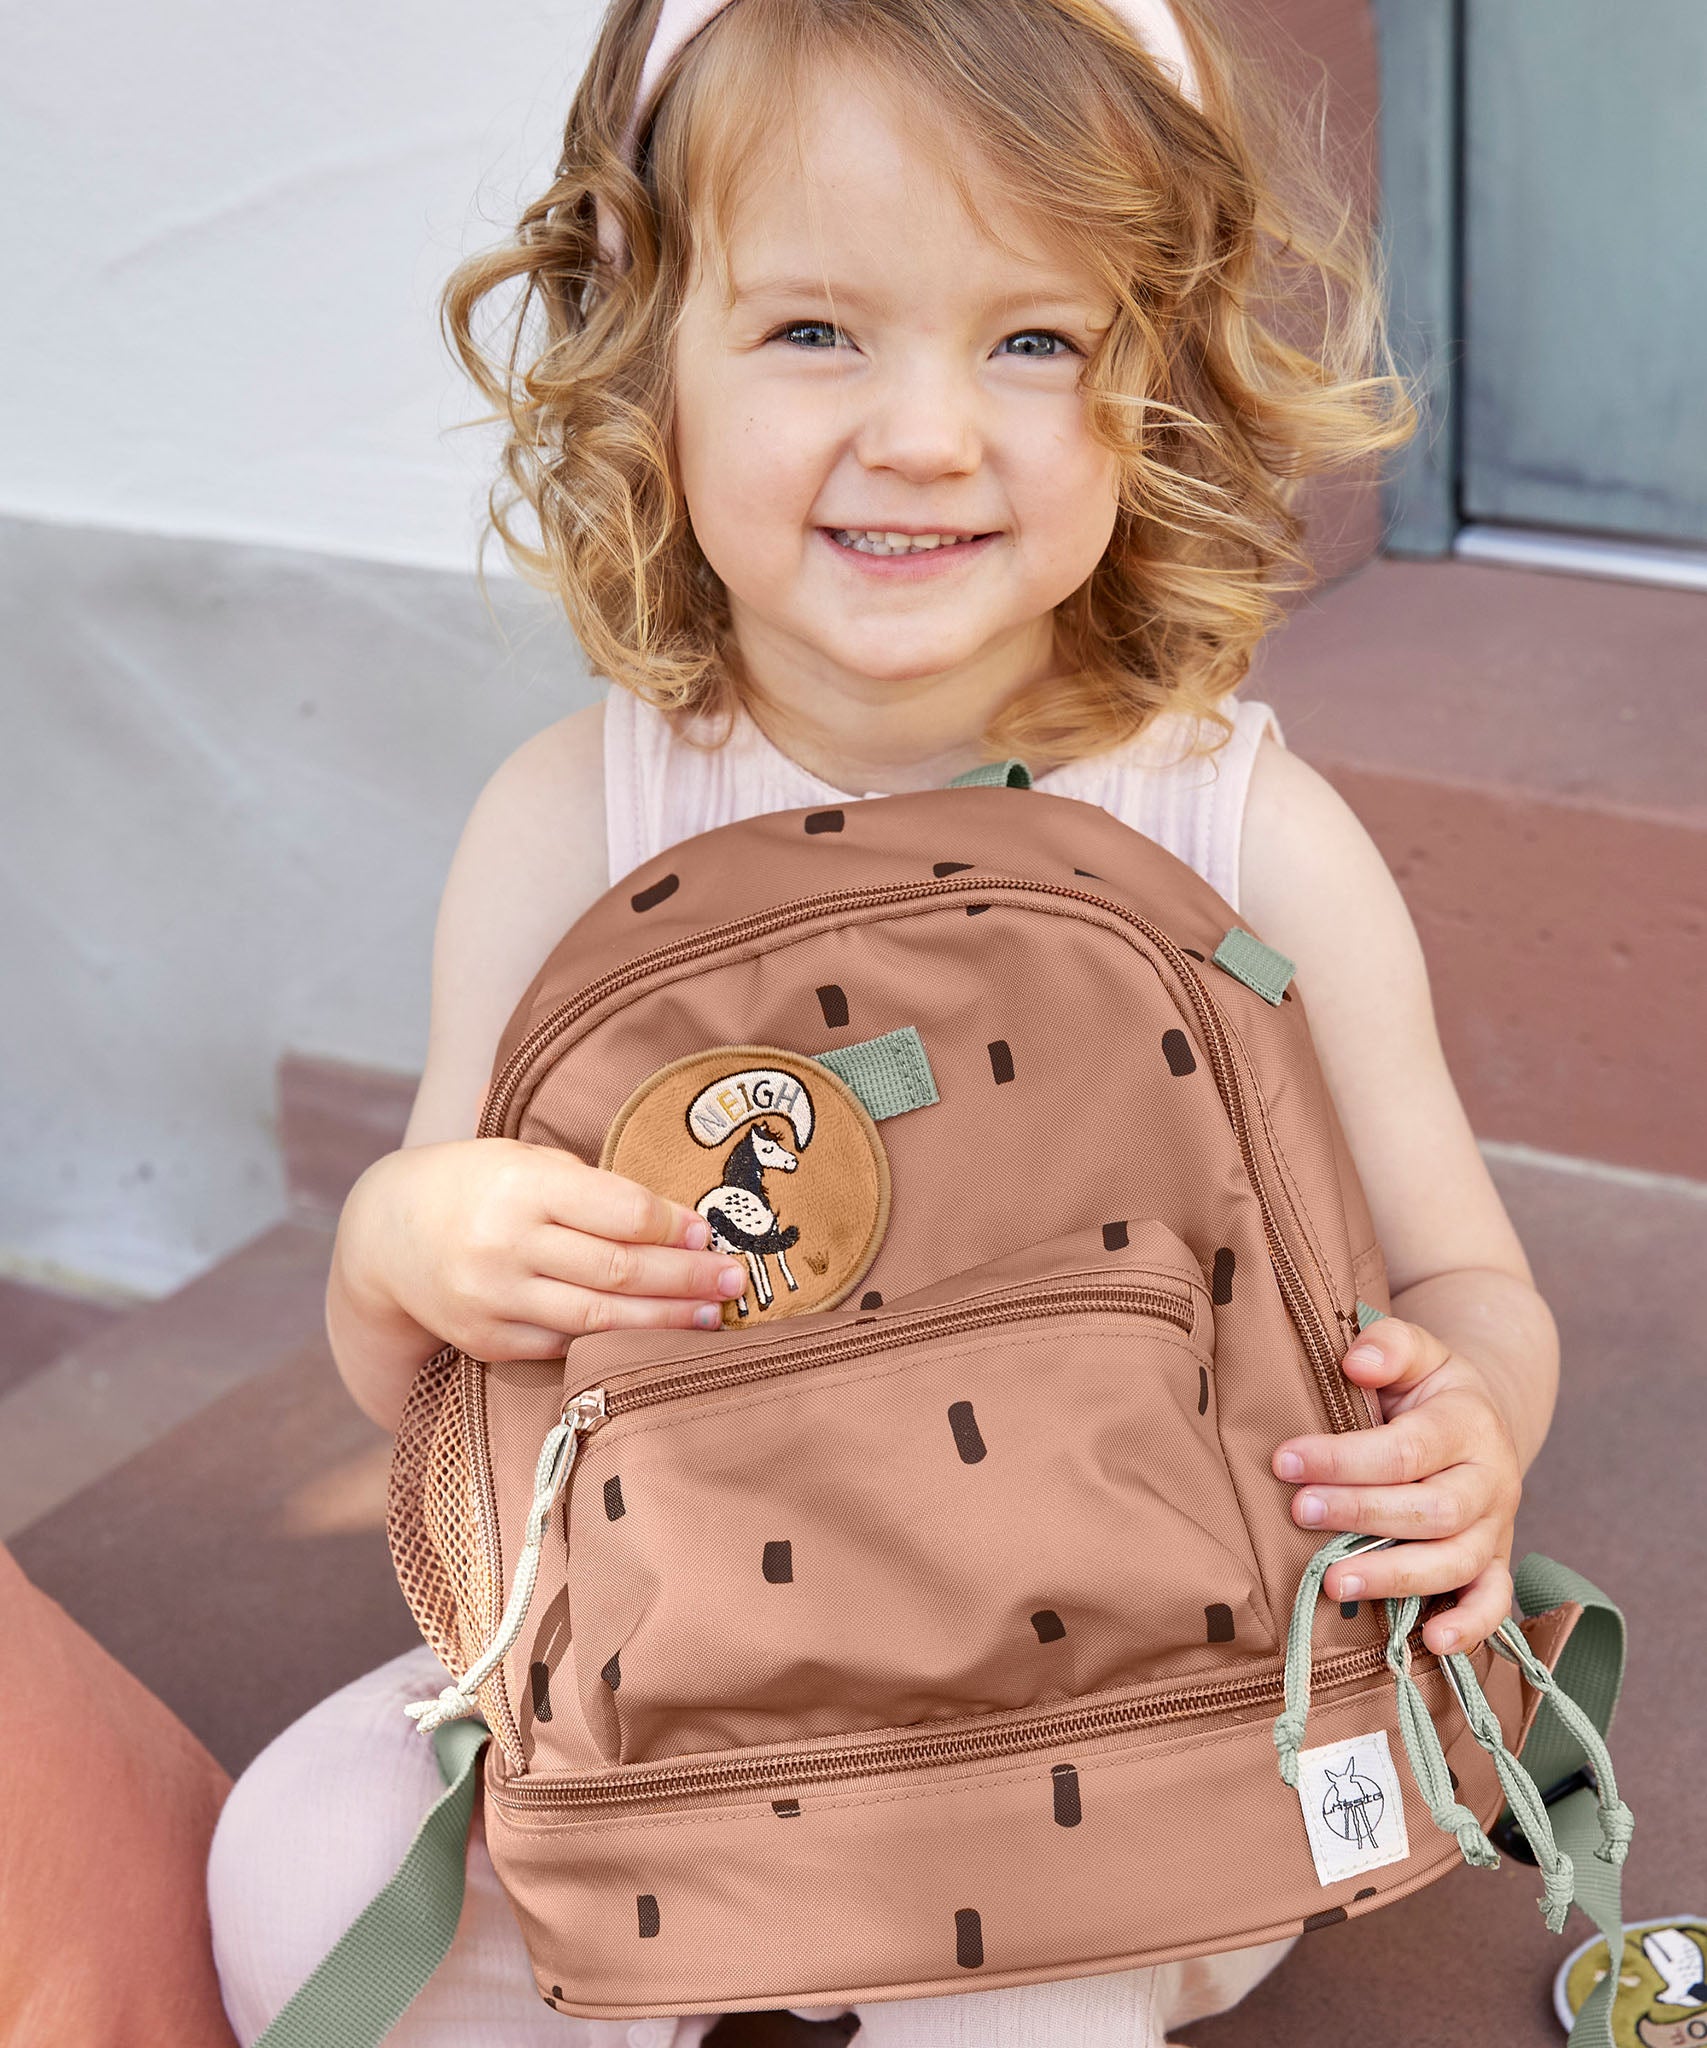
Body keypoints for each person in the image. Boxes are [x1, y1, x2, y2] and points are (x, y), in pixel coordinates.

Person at [207, 0, 1563, 2040]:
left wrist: (1467, 1428)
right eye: (814, 332)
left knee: (1015, 2010)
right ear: (640, 357)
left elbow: (1460, 1271)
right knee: (302, 1870)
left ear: (1155, 387)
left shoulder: (1240, 835)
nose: (924, 433)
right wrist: (411, 1241)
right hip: (676, 1683)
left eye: (1030, 341)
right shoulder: (570, 823)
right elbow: (413, 1372)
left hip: (1133, 1712)